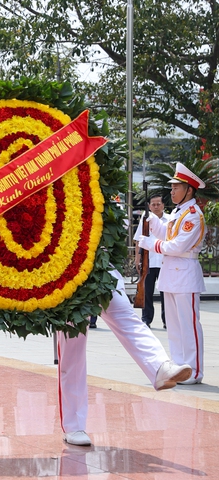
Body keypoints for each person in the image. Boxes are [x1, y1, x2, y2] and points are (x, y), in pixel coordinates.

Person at [57, 268, 192, 446]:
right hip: (68, 272)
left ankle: (160, 366)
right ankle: (74, 426)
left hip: (103, 268)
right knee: (72, 350)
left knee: (126, 316)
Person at [139, 162, 207, 385]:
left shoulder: (193, 215)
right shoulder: (179, 213)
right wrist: (155, 222)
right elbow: (168, 235)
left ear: (189, 190)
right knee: (176, 328)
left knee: (189, 326)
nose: (172, 191)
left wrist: (151, 244)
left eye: (176, 187)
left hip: (185, 274)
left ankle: (194, 370)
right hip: (172, 274)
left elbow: (177, 246)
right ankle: (179, 367)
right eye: (172, 187)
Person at [134, 195, 167, 328]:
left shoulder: (170, 219)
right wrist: (137, 258)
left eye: (158, 204)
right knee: (147, 291)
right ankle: (146, 319)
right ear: (149, 206)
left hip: (165, 261)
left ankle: (167, 320)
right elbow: (139, 239)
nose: (156, 206)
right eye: (153, 204)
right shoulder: (145, 219)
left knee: (166, 293)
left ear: (163, 205)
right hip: (149, 260)